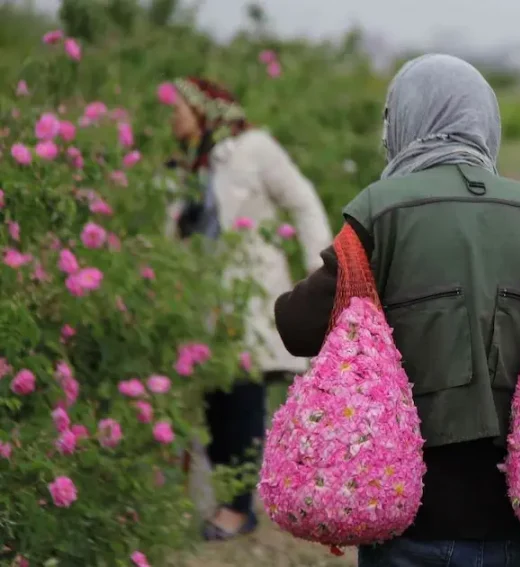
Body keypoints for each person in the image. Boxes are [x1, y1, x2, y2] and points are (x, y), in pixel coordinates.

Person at [272, 55, 520, 567]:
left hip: (409, 520)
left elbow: (297, 327)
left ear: (402, 122)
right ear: (484, 122)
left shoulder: (381, 212)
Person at [165, 76, 333, 541]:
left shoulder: (253, 149)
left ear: (204, 109)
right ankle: (228, 500)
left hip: (248, 296)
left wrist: (318, 274)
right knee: (216, 399)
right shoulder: (187, 166)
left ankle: (238, 509)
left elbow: (304, 203)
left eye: (177, 105)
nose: (170, 115)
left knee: (241, 393)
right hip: (200, 300)